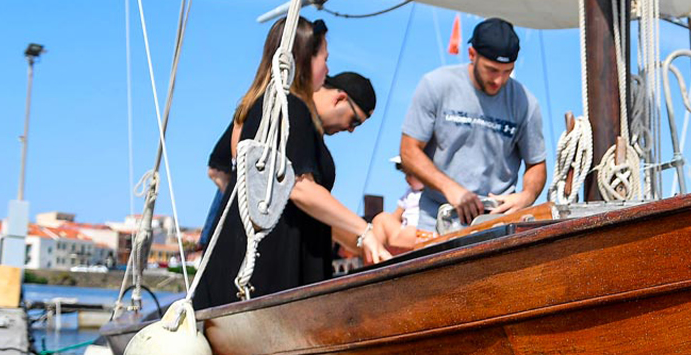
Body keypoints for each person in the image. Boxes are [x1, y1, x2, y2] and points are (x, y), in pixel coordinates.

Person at [192, 23, 389, 310]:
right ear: (307, 58)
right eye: (325, 58)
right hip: (272, 275)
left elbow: (223, 170)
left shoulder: (257, 107)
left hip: (238, 266)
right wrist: (364, 232)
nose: (327, 69)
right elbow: (298, 188)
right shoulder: (289, 108)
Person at [200, 69, 374, 249]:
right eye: (355, 121)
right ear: (339, 99)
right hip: (259, 248)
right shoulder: (290, 112)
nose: (351, 130)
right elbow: (299, 188)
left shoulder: (280, 111)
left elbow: (218, 169)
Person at [399, 17, 547, 228]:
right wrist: (451, 189)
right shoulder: (436, 85)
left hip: (498, 223)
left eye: (507, 72)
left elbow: (536, 163)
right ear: (472, 55)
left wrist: (528, 195)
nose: (499, 80)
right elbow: (409, 151)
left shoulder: (526, 102)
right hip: (438, 221)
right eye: (492, 70)